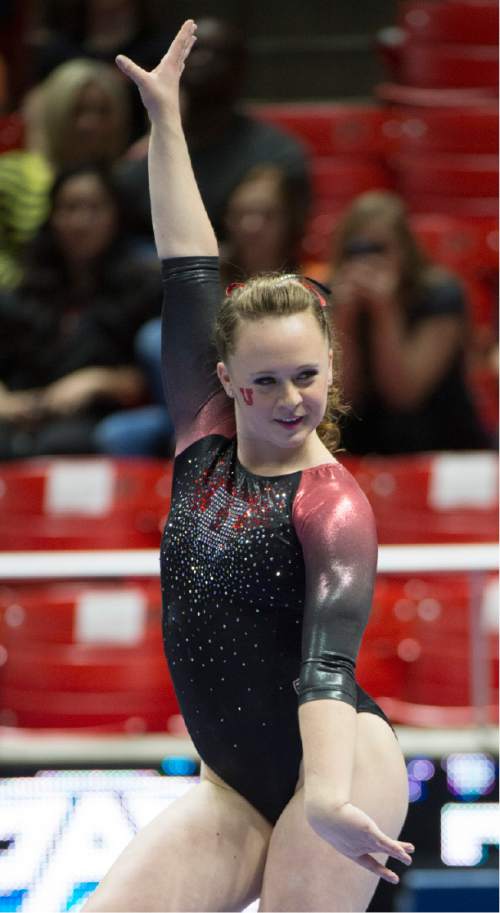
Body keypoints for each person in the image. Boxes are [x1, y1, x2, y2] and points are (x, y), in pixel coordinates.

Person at [82, 22, 413, 913]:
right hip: (234, 784)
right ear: (225, 380)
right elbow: (188, 267)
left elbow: (326, 668)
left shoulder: (332, 504)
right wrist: (167, 121)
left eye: (307, 375)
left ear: (332, 371)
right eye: (264, 380)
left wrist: (334, 798)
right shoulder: (203, 440)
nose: (289, 397)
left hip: (338, 762)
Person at [0, 163, 161, 459]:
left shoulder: (145, 287)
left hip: (98, 416)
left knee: (62, 444)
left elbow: (155, 378)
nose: (81, 221)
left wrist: (97, 382)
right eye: (70, 208)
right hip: (23, 415)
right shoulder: (24, 291)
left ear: (116, 215)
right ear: (53, 218)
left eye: (94, 208)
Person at [114, 16, 311, 247]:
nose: (200, 61)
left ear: (241, 69)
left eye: (216, 53)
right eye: (190, 53)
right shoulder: (145, 159)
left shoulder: (278, 155)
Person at [330, 191, 492, 455]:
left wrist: (385, 310)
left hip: (442, 446)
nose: (367, 262)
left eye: (378, 249)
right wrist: (345, 316)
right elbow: (341, 399)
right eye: (356, 251)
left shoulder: (441, 296)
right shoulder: (331, 298)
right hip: (360, 449)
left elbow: (404, 395)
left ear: (404, 250)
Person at [0, 57, 132, 290]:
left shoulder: (129, 182)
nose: (90, 123)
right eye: (78, 110)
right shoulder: (11, 174)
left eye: (102, 111)